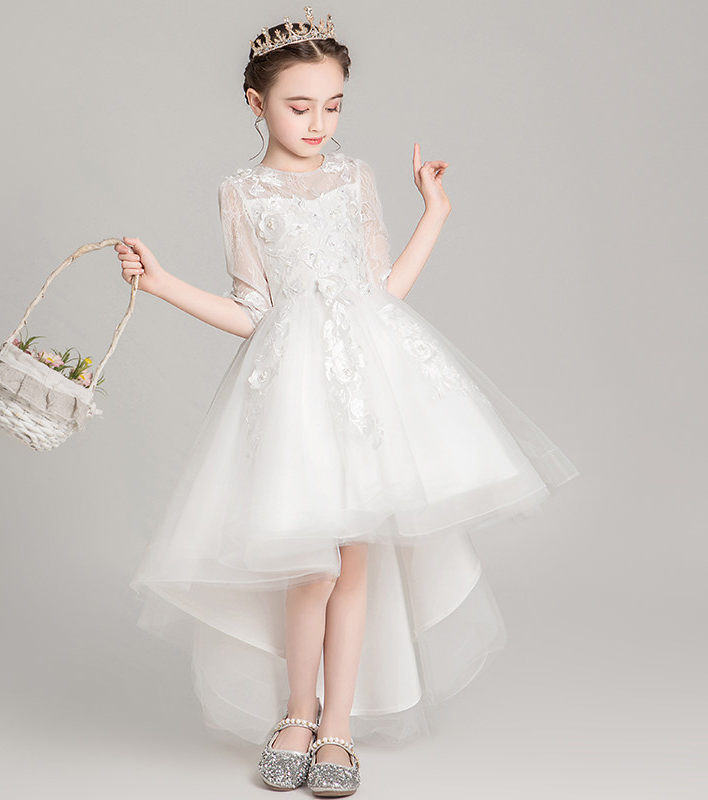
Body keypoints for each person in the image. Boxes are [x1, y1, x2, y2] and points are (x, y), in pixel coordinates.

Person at [114, 6, 579, 796]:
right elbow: (254, 312)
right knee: (312, 565)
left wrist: (435, 213)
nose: (318, 123)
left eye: (332, 106)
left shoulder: (354, 177)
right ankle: (297, 713)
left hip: (366, 386)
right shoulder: (242, 191)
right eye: (299, 106)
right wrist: (161, 286)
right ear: (256, 102)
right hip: (293, 393)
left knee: (353, 558)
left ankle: (338, 727)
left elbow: (381, 291)